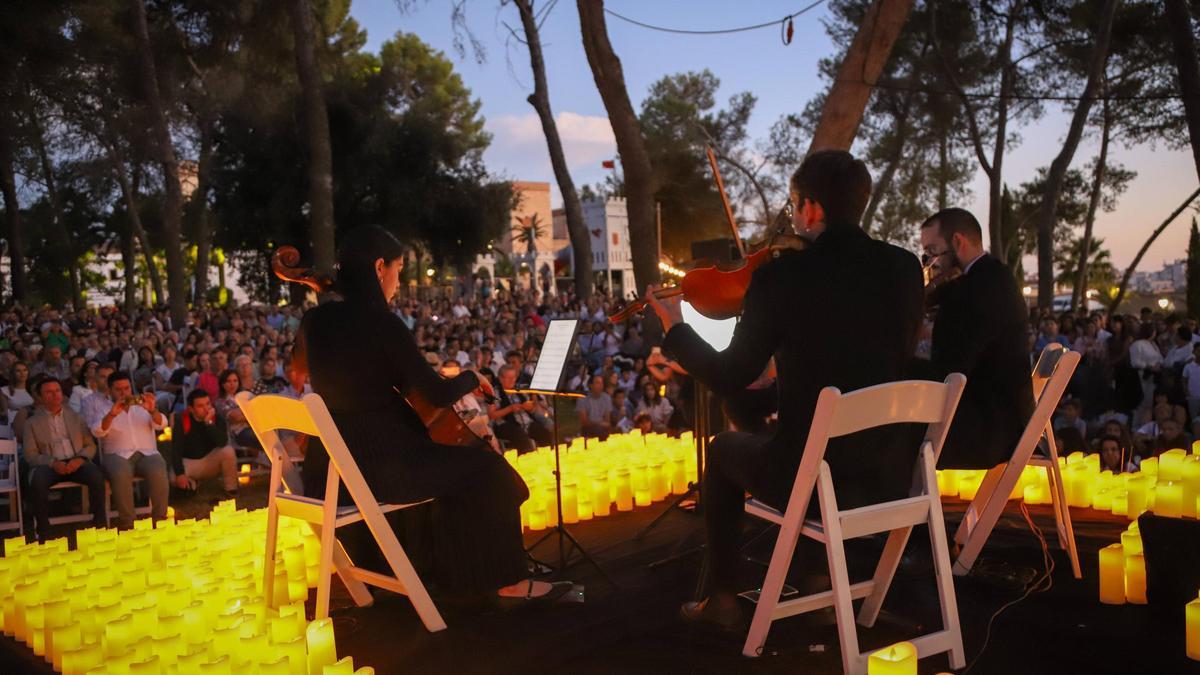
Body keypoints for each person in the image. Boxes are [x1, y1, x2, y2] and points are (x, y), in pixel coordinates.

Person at [647, 150, 924, 628]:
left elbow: (729, 374)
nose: (793, 216)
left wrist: (675, 327)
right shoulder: (904, 269)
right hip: (888, 474)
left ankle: (724, 599)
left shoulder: (782, 278)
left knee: (723, 450)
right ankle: (815, 576)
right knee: (795, 435)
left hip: (813, 478)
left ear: (811, 208)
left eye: (794, 204)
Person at [295, 225, 569, 604]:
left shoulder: (315, 321)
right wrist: (473, 377)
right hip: (384, 467)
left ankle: (451, 572)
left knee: (462, 470)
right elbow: (436, 393)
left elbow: (358, 372)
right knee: (488, 470)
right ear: (379, 268)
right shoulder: (383, 323)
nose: (399, 280)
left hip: (333, 470)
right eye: (399, 269)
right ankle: (508, 581)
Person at [917, 208, 1035, 470]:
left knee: (887, 430)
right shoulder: (996, 276)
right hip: (1006, 421)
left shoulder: (972, 292)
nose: (930, 263)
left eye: (933, 251)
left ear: (958, 242)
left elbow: (948, 371)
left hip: (986, 432)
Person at [22, 378, 106, 542]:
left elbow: (90, 445)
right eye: (49, 392)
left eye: (58, 391)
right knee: (38, 481)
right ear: (40, 397)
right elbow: (30, 454)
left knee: (96, 475)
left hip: (76, 461)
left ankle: (100, 525)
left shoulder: (76, 417)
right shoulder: (32, 423)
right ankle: (44, 531)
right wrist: (53, 462)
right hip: (50, 465)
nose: (55, 395)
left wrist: (80, 459)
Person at [87, 371, 170, 528]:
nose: (124, 392)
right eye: (119, 389)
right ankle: (128, 523)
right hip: (116, 454)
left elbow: (162, 424)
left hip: (146, 452)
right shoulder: (104, 408)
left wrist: (152, 410)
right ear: (110, 390)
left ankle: (160, 520)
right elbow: (97, 431)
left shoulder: (142, 405)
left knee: (158, 466)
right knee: (120, 473)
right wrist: (112, 414)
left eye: (126, 388)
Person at [170, 390, 238, 496]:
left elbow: (222, 442)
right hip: (190, 462)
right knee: (173, 477)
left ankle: (231, 489)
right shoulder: (182, 420)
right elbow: (176, 449)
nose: (206, 409)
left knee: (228, 451)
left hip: (210, 460)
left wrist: (209, 423)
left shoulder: (217, 418)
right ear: (191, 409)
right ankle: (191, 486)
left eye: (208, 404)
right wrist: (180, 474)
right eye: (200, 406)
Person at [576, 375, 613, 441]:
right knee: (600, 431)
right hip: (588, 429)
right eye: (598, 383)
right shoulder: (582, 399)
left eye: (602, 383)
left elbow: (607, 421)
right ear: (591, 385)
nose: (601, 385)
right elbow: (584, 422)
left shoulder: (607, 398)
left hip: (602, 428)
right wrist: (599, 424)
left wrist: (603, 424)